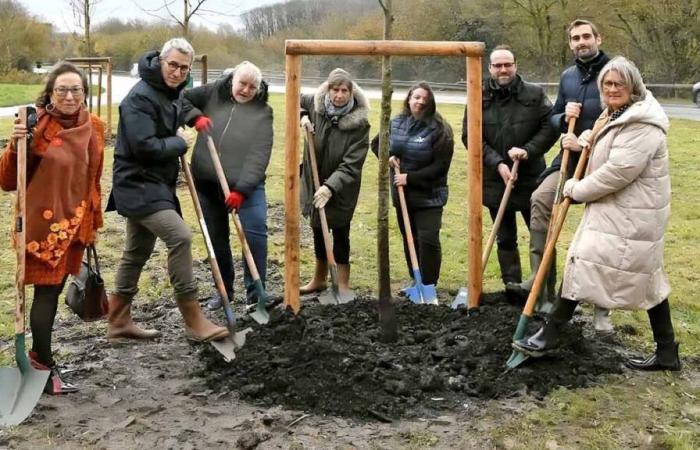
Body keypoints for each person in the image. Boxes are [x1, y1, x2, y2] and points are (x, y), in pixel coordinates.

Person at [513, 56, 681, 371]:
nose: (612, 88)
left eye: (619, 83)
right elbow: (604, 138)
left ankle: (550, 334)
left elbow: (617, 172)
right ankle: (667, 351)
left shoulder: (642, 124)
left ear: (633, 86)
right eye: (607, 84)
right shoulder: (618, 113)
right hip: (622, 210)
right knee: (648, 280)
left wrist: (575, 189)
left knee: (583, 259)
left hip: (631, 212)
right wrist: (582, 140)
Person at [106, 38, 228, 342]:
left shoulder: (171, 92)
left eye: (183, 68)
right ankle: (193, 320)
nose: (177, 72)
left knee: (137, 252)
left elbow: (175, 114)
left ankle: (118, 322)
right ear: (161, 61)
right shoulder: (140, 98)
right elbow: (144, 147)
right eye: (172, 64)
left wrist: (187, 123)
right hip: (138, 183)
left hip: (156, 183)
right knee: (180, 237)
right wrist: (179, 143)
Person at [0, 62, 105, 394]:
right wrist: (15, 145)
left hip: (74, 226)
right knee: (46, 294)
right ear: (50, 93)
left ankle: (37, 359)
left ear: (85, 94)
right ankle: (42, 363)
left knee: (54, 293)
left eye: (76, 90)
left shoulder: (96, 127)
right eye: (62, 90)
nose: (70, 96)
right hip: (41, 227)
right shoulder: (35, 128)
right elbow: (6, 180)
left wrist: (91, 224)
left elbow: (94, 180)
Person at [506, 19, 614, 328]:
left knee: (602, 231)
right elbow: (554, 117)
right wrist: (561, 121)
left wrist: (592, 136)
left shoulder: (616, 71)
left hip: (606, 161)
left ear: (598, 38)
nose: (581, 42)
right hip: (569, 159)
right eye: (575, 38)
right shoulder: (568, 77)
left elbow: (629, 113)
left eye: (586, 37)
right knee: (539, 199)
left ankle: (601, 309)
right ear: (570, 44)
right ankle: (542, 286)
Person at [462, 45, 558, 289]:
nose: (503, 70)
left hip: (531, 178)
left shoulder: (534, 94)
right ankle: (511, 287)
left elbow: (550, 127)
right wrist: (497, 163)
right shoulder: (478, 94)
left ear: (515, 65)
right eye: (498, 65)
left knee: (541, 235)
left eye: (507, 64)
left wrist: (528, 151)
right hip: (496, 179)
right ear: (490, 68)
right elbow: (469, 135)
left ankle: (543, 291)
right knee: (504, 238)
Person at [182, 61, 273, 310]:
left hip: (245, 186)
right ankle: (224, 292)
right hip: (208, 183)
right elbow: (181, 98)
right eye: (242, 84)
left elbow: (259, 154)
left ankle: (256, 294)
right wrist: (195, 117)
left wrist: (242, 190)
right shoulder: (212, 92)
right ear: (233, 80)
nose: (245, 90)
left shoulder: (262, 112)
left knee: (255, 231)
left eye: (252, 87)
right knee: (216, 238)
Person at [374, 82, 454, 299]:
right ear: (409, 99)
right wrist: (388, 156)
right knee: (410, 238)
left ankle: (428, 283)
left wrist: (410, 178)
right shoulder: (397, 122)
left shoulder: (440, 129)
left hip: (430, 195)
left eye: (424, 98)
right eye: (415, 97)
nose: (419, 102)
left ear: (430, 102)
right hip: (403, 196)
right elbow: (376, 144)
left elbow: (440, 167)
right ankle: (415, 279)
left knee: (427, 238)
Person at [299, 68, 370, 295]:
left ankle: (342, 283)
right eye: (335, 90)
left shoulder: (360, 124)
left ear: (351, 93)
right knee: (318, 228)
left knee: (340, 231)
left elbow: (352, 163)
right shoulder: (315, 105)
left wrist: (330, 187)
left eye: (344, 91)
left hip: (341, 188)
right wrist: (302, 115)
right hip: (313, 180)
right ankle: (319, 278)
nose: (339, 95)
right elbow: (296, 99)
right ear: (327, 90)